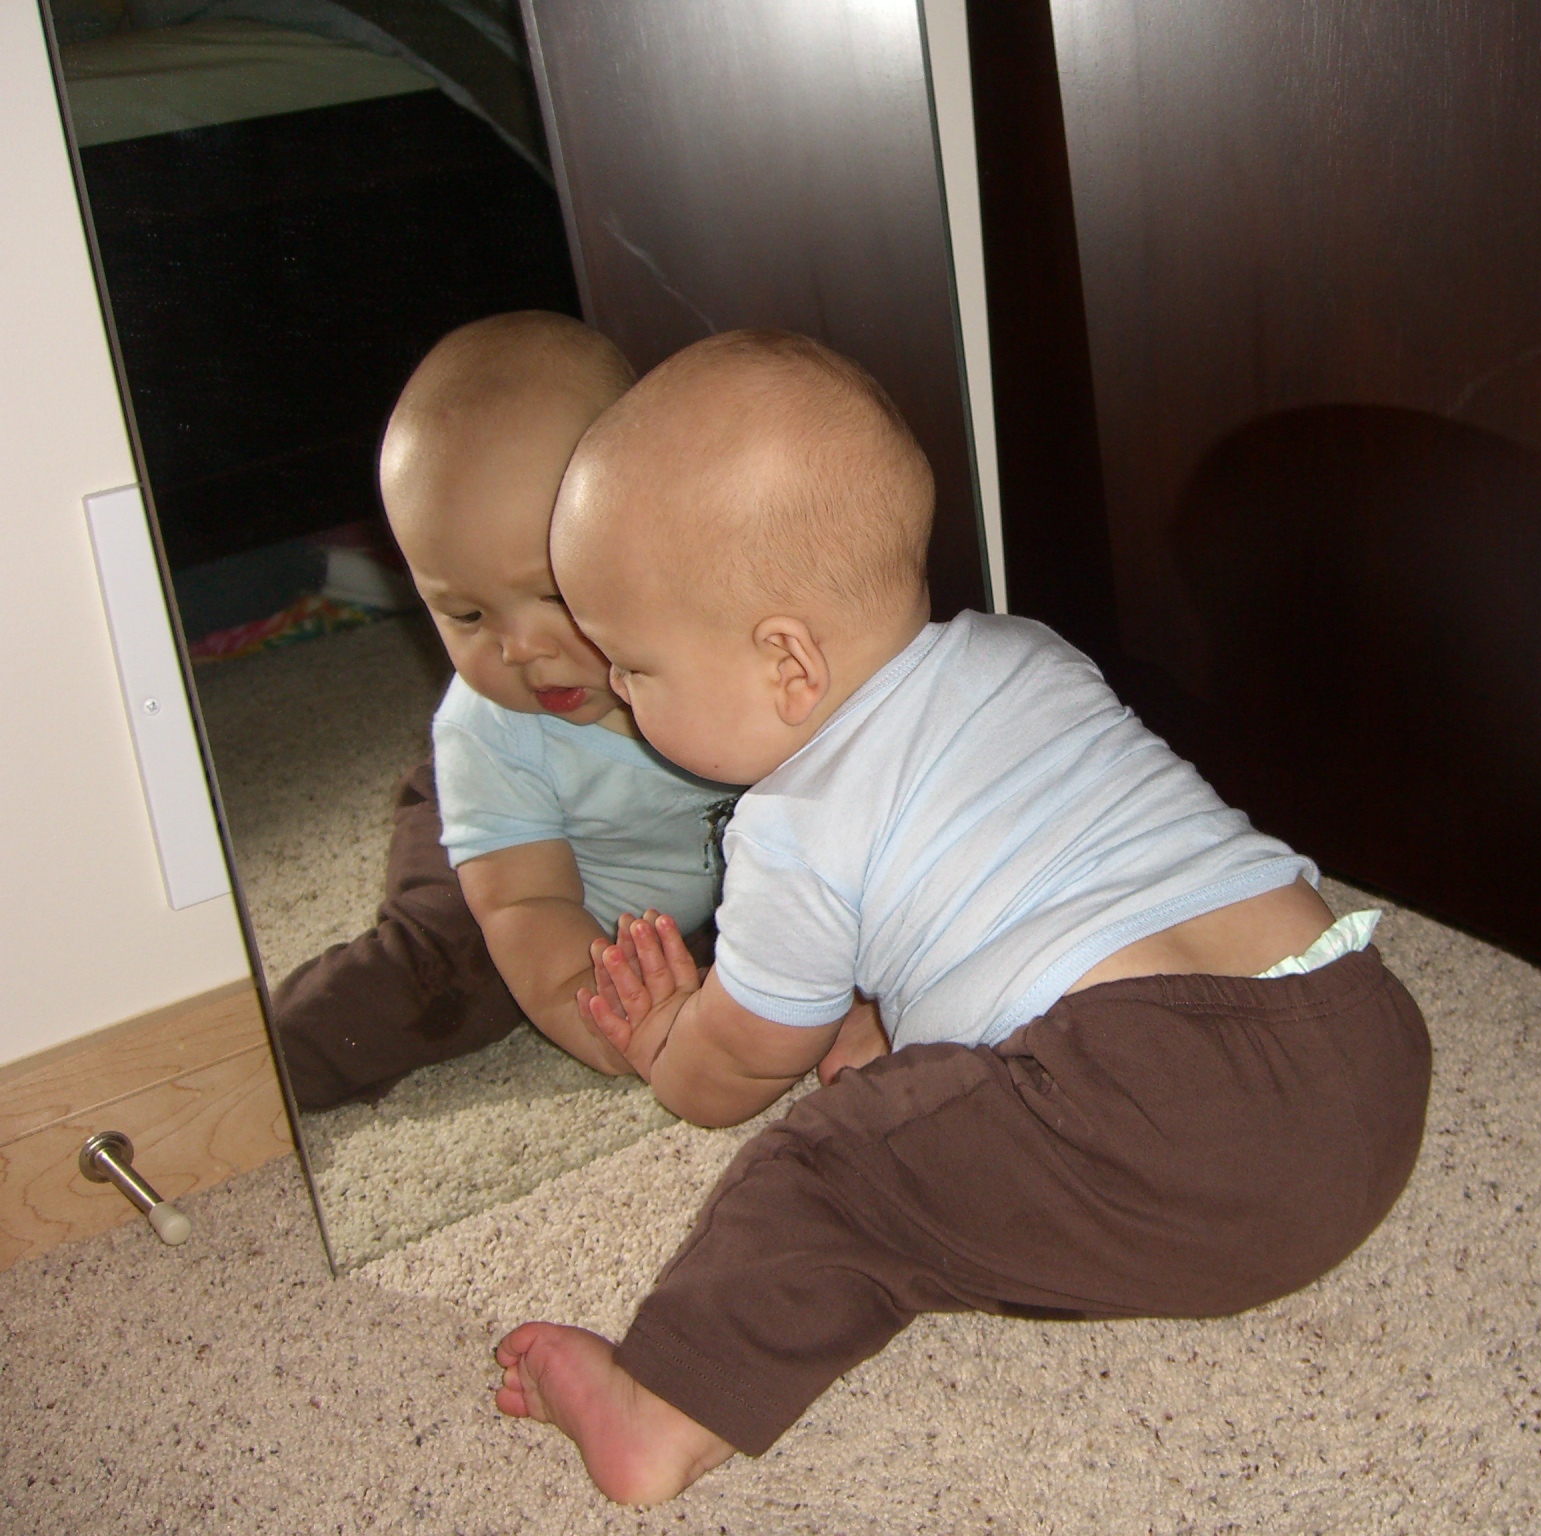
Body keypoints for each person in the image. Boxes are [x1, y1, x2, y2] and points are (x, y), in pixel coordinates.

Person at [493, 329, 1432, 1505]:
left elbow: (735, 1069)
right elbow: (1014, 887)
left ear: (787, 664)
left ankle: (663, 1409)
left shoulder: (790, 825)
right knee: (942, 1086)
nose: (620, 694)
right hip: (1363, 1049)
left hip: (1175, 1138)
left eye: (634, 667)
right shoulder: (1023, 652)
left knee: (831, 1168)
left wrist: (666, 1043)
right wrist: (898, 1021)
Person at [270, 312, 734, 1107]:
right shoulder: (491, 728)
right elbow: (528, 908)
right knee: (448, 973)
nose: (519, 650)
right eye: (465, 614)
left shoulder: (739, 644)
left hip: (680, 877)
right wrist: (602, 1022)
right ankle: (265, 1058)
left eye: (551, 594)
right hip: (514, 848)